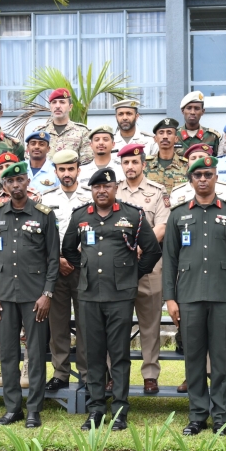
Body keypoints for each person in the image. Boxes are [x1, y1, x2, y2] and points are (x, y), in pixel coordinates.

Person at [62, 168, 161, 431]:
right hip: (90, 295)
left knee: (119, 355)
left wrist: (132, 275)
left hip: (120, 296)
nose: (101, 191)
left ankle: (119, 410)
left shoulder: (132, 215)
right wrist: (84, 268)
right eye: (96, 187)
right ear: (91, 190)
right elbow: (68, 249)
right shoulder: (80, 216)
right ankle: (95, 409)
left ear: (115, 188)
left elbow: (152, 250)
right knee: (93, 354)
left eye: (106, 187)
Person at [162, 155, 226, 435]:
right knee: (194, 359)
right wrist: (170, 299)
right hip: (188, 297)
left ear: (216, 178)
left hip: (224, 297)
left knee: (222, 361)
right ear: (190, 180)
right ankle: (198, 415)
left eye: (208, 174)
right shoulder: (178, 215)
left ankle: (221, 415)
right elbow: (170, 260)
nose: (203, 179)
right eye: (198, 175)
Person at [0, 161, 59, 428]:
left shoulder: (43, 214)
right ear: (4, 186)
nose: (15, 185)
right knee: (8, 354)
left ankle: (34, 410)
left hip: (34, 297)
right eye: (9, 182)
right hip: (3, 297)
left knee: (36, 354)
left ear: (28, 182)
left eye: (20, 180)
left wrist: (47, 294)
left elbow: (53, 259)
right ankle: (12, 408)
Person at [115, 143, 170, 394]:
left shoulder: (157, 192)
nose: (130, 166)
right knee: (117, 324)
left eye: (135, 162)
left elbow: (162, 226)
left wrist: (139, 247)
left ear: (143, 164)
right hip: (118, 270)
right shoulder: (114, 191)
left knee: (150, 324)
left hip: (149, 268)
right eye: (126, 162)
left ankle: (150, 374)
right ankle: (113, 373)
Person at [39, 150, 94, 392]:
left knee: (86, 324)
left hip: (84, 268)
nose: (67, 174)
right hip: (55, 269)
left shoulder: (90, 197)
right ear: (56, 172)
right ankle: (60, 373)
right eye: (62, 169)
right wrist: (59, 259)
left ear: (78, 170)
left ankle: (86, 374)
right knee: (57, 324)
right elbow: (40, 234)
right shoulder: (45, 197)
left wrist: (74, 257)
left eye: (71, 169)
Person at [27, 88, 91, 164]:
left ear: (70, 107)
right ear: (50, 107)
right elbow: (28, 157)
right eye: (54, 102)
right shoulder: (39, 131)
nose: (57, 106)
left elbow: (87, 159)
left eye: (62, 102)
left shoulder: (82, 131)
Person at [171, 143, 226, 207]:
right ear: (187, 164)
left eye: (201, 157)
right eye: (193, 158)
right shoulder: (177, 193)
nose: (197, 161)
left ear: (210, 162)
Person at [145, 117, 190, 194]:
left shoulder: (186, 165)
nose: (165, 136)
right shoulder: (145, 165)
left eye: (169, 133)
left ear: (176, 138)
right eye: (161, 133)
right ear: (155, 138)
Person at [177, 91, 222, 156]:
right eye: (189, 108)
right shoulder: (174, 136)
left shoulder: (212, 137)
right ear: (182, 111)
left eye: (197, 108)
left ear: (202, 112)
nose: (192, 112)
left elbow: (218, 161)